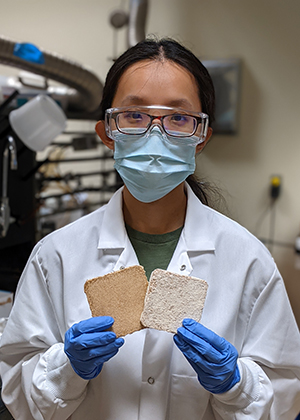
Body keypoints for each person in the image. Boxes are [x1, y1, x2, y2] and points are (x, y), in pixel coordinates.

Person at [1, 37, 300, 420]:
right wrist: (66, 367)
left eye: (178, 118)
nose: (154, 135)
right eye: (135, 115)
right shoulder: (55, 256)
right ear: (108, 132)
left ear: (201, 137)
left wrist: (236, 383)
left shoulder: (248, 261)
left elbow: (285, 397)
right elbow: (16, 391)